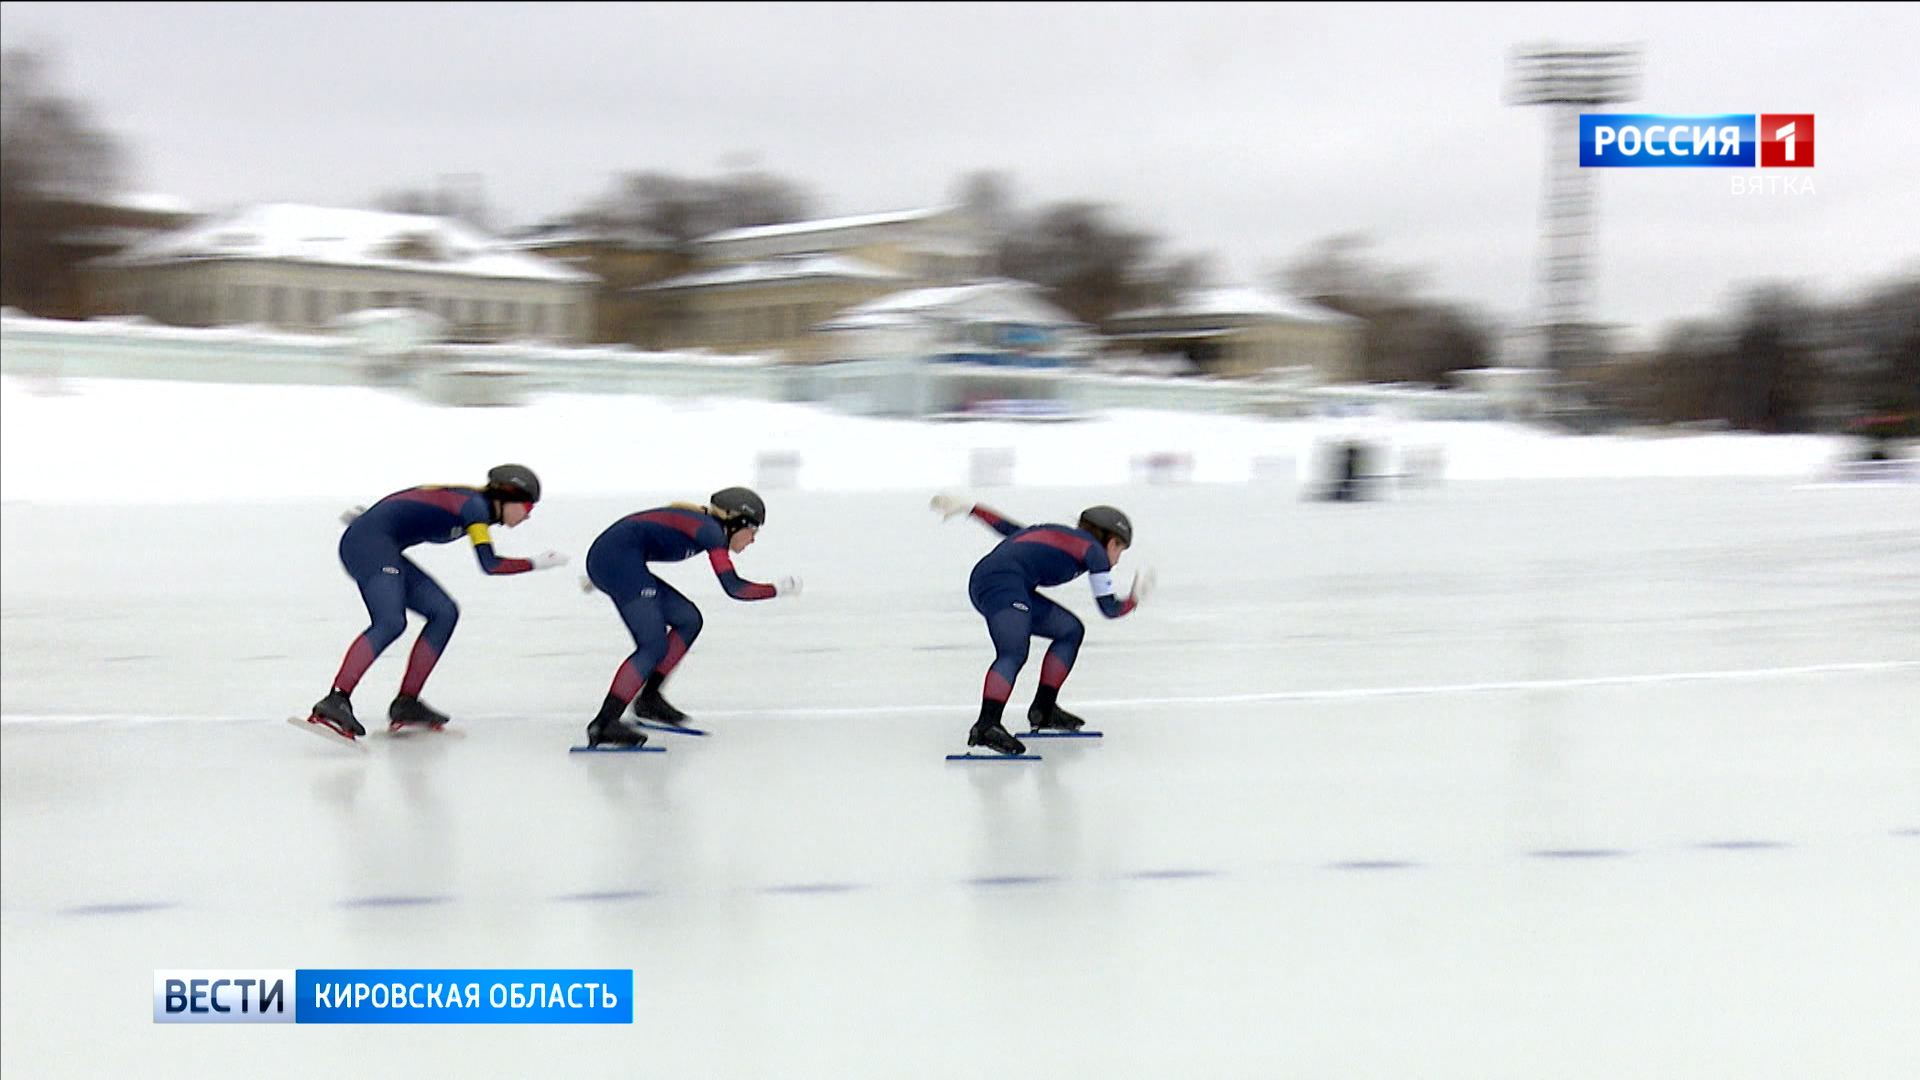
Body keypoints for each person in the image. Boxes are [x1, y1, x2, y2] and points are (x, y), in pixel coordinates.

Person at [302, 464, 568, 741]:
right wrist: (537, 563)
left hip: (380, 543)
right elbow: (490, 564)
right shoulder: (475, 509)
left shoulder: (478, 507)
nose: (528, 514)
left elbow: (422, 502)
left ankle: (407, 702)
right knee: (390, 622)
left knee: (444, 612)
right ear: (505, 497)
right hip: (367, 545)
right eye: (527, 505)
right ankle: (335, 700)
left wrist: (373, 516)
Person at [580, 487, 800, 748]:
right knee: (653, 645)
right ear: (735, 522)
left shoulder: (706, 526)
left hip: (618, 561)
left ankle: (649, 699)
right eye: (753, 530)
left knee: (688, 619)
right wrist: (778, 589)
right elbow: (735, 588)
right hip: (616, 562)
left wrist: (602, 572)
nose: (753, 539)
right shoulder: (711, 531)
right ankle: (604, 723)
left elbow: (639, 532)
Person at [931, 495, 1152, 756]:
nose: (1117, 559)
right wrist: (1134, 600)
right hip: (1001, 585)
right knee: (1013, 653)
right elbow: (1109, 608)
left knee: (1070, 630)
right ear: (1112, 540)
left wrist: (970, 509)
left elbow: (1009, 529)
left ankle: (1044, 709)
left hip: (1001, 584)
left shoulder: (1065, 538)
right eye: (1120, 550)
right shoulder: (1093, 551)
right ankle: (986, 725)